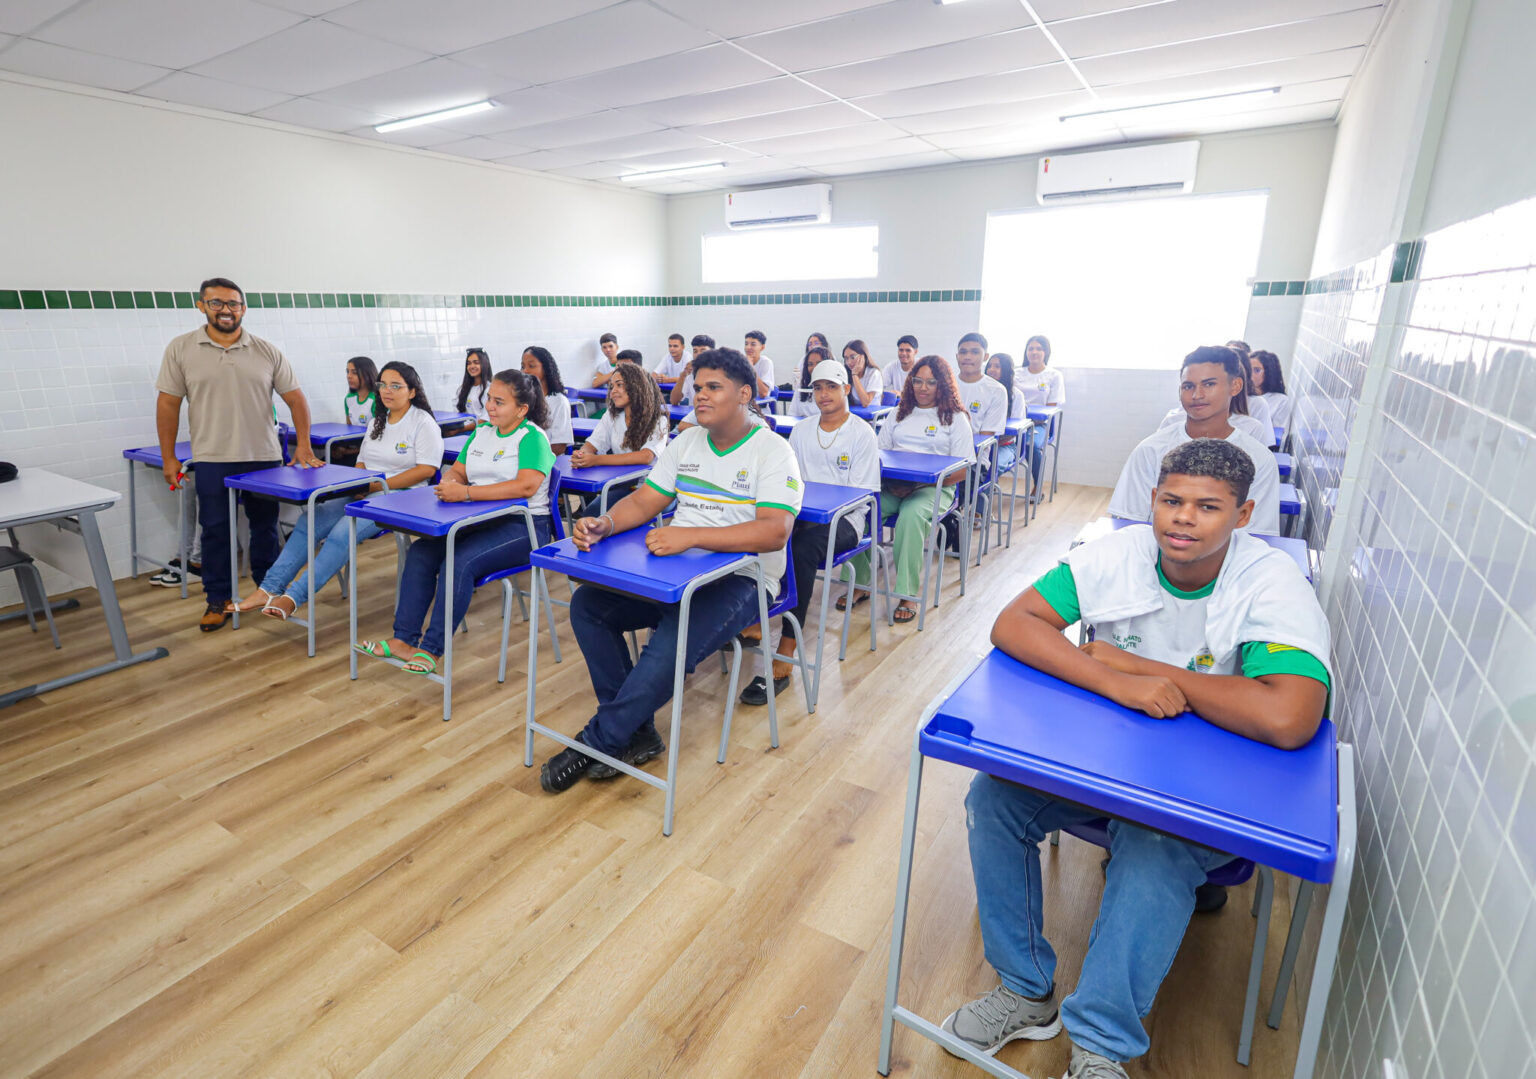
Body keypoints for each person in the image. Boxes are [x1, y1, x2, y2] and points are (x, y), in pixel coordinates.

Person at [943, 438, 1330, 1079]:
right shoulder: (1118, 555)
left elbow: (1289, 717)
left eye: (1208, 507)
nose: (1184, 518)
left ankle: (1100, 1041)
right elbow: (1014, 624)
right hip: (1106, 763)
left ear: (1243, 514)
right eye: (1172, 501)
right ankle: (1025, 988)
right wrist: (1115, 683)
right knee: (995, 798)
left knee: (1155, 845)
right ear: (1152, 501)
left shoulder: (1268, 581)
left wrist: (1133, 664)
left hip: (1208, 789)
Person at [539, 347, 803, 793]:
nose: (700, 395)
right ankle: (636, 732)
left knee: (673, 635)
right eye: (697, 387)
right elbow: (645, 501)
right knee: (588, 606)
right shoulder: (686, 444)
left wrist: (691, 536)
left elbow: (773, 532)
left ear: (744, 394)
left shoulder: (773, 452)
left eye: (713, 387)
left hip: (743, 579)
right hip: (675, 571)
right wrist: (605, 523)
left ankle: (597, 740)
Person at [357, 369, 556, 675]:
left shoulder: (532, 438)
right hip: (479, 520)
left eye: (499, 402)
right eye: (489, 398)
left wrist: (465, 493)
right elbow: (458, 471)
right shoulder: (482, 433)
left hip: (525, 527)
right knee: (422, 551)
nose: (489, 406)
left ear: (522, 409)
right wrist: (451, 481)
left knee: (459, 562)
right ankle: (403, 640)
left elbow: (525, 487)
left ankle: (432, 648)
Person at [155, 276, 320, 632]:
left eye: (233, 303)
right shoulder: (181, 348)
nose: (226, 310)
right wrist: (169, 457)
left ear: (243, 308)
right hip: (212, 456)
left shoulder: (266, 350)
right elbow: (168, 404)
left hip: (263, 456)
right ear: (202, 306)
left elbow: (295, 399)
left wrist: (303, 444)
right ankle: (217, 600)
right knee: (215, 530)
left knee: (264, 527)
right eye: (217, 303)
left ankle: (268, 589)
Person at [232, 361, 443, 620]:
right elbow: (362, 461)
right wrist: (359, 484)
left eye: (396, 386)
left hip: (403, 495)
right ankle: (269, 588)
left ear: (412, 391)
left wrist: (377, 485)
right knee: (310, 519)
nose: (387, 391)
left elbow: (426, 470)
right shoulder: (379, 419)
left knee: (344, 531)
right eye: (383, 385)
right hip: (366, 488)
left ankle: (294, 597)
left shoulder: (423, 423)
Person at [737, 358, 880, 705]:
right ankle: (757, 611)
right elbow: (788, 482)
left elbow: (862, 495)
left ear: (846, 389)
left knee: (800, 550)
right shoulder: (801, 431)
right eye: (818, 387)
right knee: (765, 534)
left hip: (845, 521)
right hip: (805, 514)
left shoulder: (862, 433)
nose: (824, 394)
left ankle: (786, 647)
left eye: (831, 386)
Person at [845, 355, 974, 624]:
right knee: (865, 510)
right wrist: (894, 483)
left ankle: (906, 593)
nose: (923, 388)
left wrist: (919, 483)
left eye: (930, 382)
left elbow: (961, 471)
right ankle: (860, 582)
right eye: (918, 381)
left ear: (943, 385)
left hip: (936, 489)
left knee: (911, 516)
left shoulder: (955, 418)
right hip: (895, 486)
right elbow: (878, 455)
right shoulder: (899, 412)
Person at [1111, 346, 1281, 534]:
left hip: (1230, 561)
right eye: (1188, 386)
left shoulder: (1259, 459)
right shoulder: (1151, 449)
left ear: (1236, 386)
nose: (1196, 395)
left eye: (1209, 384)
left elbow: (1257, 535)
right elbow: (1129, 523)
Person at [569, 363, 670, 515]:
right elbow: (592, 444)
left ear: (637, 387)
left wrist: (596, 460)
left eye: (619, 385)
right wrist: (582, 454)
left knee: (612, 520)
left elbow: (645, 456)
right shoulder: (612, 416)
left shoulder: (658, 420)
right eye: (611, 387)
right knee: (591, 515)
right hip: (624, 485)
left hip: (656, 488)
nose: (613, 391)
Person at [1019, 334, 1065, 490]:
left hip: (1039, 425)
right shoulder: (1017, 373)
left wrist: (1032, 420)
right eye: (1030, 348)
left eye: (1039, 349)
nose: (1034, 352)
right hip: (1016, 423)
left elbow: (1051, 408)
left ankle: (1037, 487)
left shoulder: (1054, 375)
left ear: (1046, 352)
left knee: (1030, 445)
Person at [521, 346, 572, 454]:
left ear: (545, 369)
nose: (525, 370)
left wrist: (532, 456)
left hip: (542, 459)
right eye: (523, 366)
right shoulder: (521, 398)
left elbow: (559, 446)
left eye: (531, 366)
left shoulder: (559, 402)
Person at [985, 352, 1023, 474]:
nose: (991, 370)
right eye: (989, 366)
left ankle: (984, 492)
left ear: (1006, 370)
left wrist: (990, 443)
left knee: (991, 468)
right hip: (982, 446)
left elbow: (1013, 433)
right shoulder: (981, 390)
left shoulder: (1016, 395)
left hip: (1005, 446)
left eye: (997, 366)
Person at [786, 346, 836, 418]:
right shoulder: (801, 387)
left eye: (818, 363)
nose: (814, 367)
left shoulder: (837, 388)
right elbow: (792, 415)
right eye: (810, 364)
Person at [1248, 349, 1292, 430]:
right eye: (1248, 369)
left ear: (1269, 372)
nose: (1250, 375)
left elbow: (1279, 435)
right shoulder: (1241, 396)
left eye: (1257, 370)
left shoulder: (1280, 401)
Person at [668, 334, 716, 406]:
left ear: (713, 353)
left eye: (703, 351)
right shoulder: (690, 374)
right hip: (695, 413)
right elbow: (674, 401)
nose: (698, 354)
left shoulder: (720, 373)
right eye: (695, 351)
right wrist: (683, 375)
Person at [455, 348, 491, 430]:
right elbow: (457, 414)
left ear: (485, 364)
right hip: (463, 430)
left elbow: (485, 420)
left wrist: (459, 430)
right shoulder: (462, 390)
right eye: (469, 363)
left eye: (476, 362)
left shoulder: (490, 389)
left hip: (481, 432)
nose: (472, 366)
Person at [842, 339, 884, 407]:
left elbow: (866, 403)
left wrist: (855, 375)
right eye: (846, 358)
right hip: (853, 414)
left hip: (872, 416)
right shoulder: (846, 373)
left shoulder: (874, 373)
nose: (849, 362)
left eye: (853, 357)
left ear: (863, 356)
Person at [342, 356, 379, 425]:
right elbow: (349, 428)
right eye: (348, 372)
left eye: (354, 372)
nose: (349, 376)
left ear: (367, 374)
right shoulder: (348, 398)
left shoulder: (376, 399)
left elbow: (381, 430)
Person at [743, 330, 775, 397]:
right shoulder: (741, 362)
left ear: (762, 347)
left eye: (753, 344)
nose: (748, 347)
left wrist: (751, 368)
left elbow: (763, 393)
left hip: (759, 405)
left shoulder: (766, 363)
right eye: (746, 344)